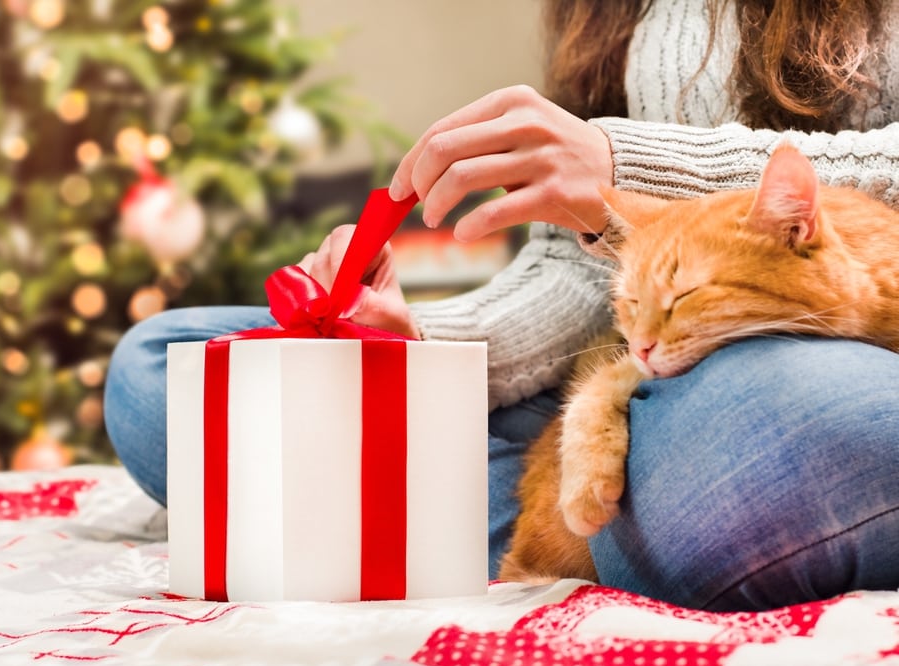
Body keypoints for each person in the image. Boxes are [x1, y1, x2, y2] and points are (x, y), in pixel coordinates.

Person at [105, 0, 899, 611]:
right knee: (165, 368)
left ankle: (444, 521)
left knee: (806, 418)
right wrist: (420, 344)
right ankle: (622, 529)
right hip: (653, 369)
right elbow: (586, 270)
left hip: (826, 357)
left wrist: (631, 162)